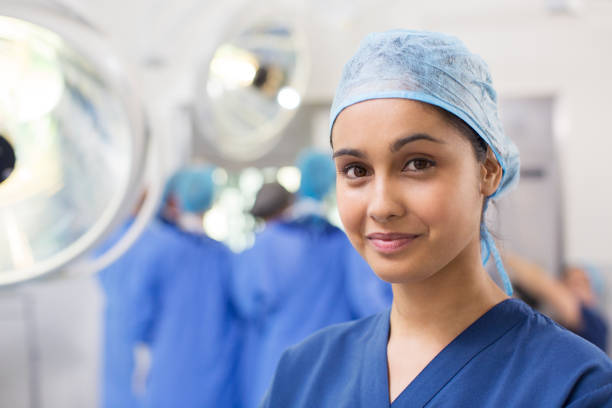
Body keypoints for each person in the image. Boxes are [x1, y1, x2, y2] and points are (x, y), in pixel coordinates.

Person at [260, 30, 612, 407]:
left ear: (488, 171)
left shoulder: (572, 384)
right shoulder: (304, 373)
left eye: (417, 164)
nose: (381, 206)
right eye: (356, 170)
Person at [233, 150, 392, 408]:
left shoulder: (267, 243)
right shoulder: (349, 245)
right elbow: (369, 304)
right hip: (333, 368)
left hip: (276, 364)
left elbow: (249, 303)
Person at [125, 165, 242, 408]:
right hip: (216, 382)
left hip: (170, 378)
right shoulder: (224, 256)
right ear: (209, 203)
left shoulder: (158, 252)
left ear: (175, 201)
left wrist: (141, 362)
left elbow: (139, 315)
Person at [505, 253, 609, 352]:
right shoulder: (553, 322)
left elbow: (555, 294)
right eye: (568, 281)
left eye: (580, 284)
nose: (572, 288)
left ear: (593, 294)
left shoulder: (595, 323)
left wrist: (502, 255)